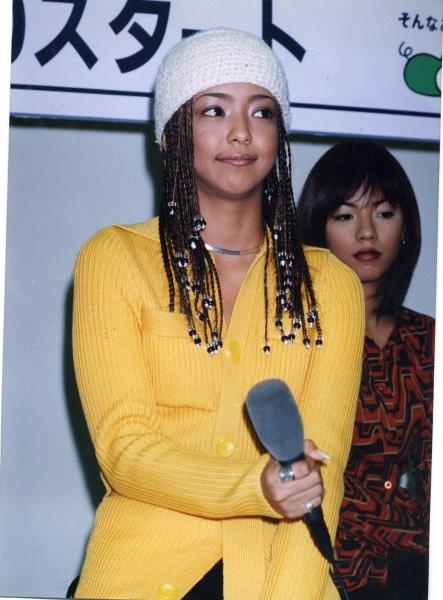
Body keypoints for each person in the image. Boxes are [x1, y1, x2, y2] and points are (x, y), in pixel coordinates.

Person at [72, 28, 365, 600]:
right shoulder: (114, 258)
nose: (240, 132)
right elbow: (124, 451)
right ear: (171, 135)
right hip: (138, 573)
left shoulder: (331, 284)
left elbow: (320, 478)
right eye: (213, 109)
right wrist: (254, 486)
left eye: (262, 112)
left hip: (281, 575)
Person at [298, 140, 434, 600]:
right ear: (317, 228)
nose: (367, 233)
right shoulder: (292, 335)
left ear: (406, 226)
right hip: (315, 555)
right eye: (344, 216)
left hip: (410, 561)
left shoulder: (426, 338)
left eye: (383, 213)